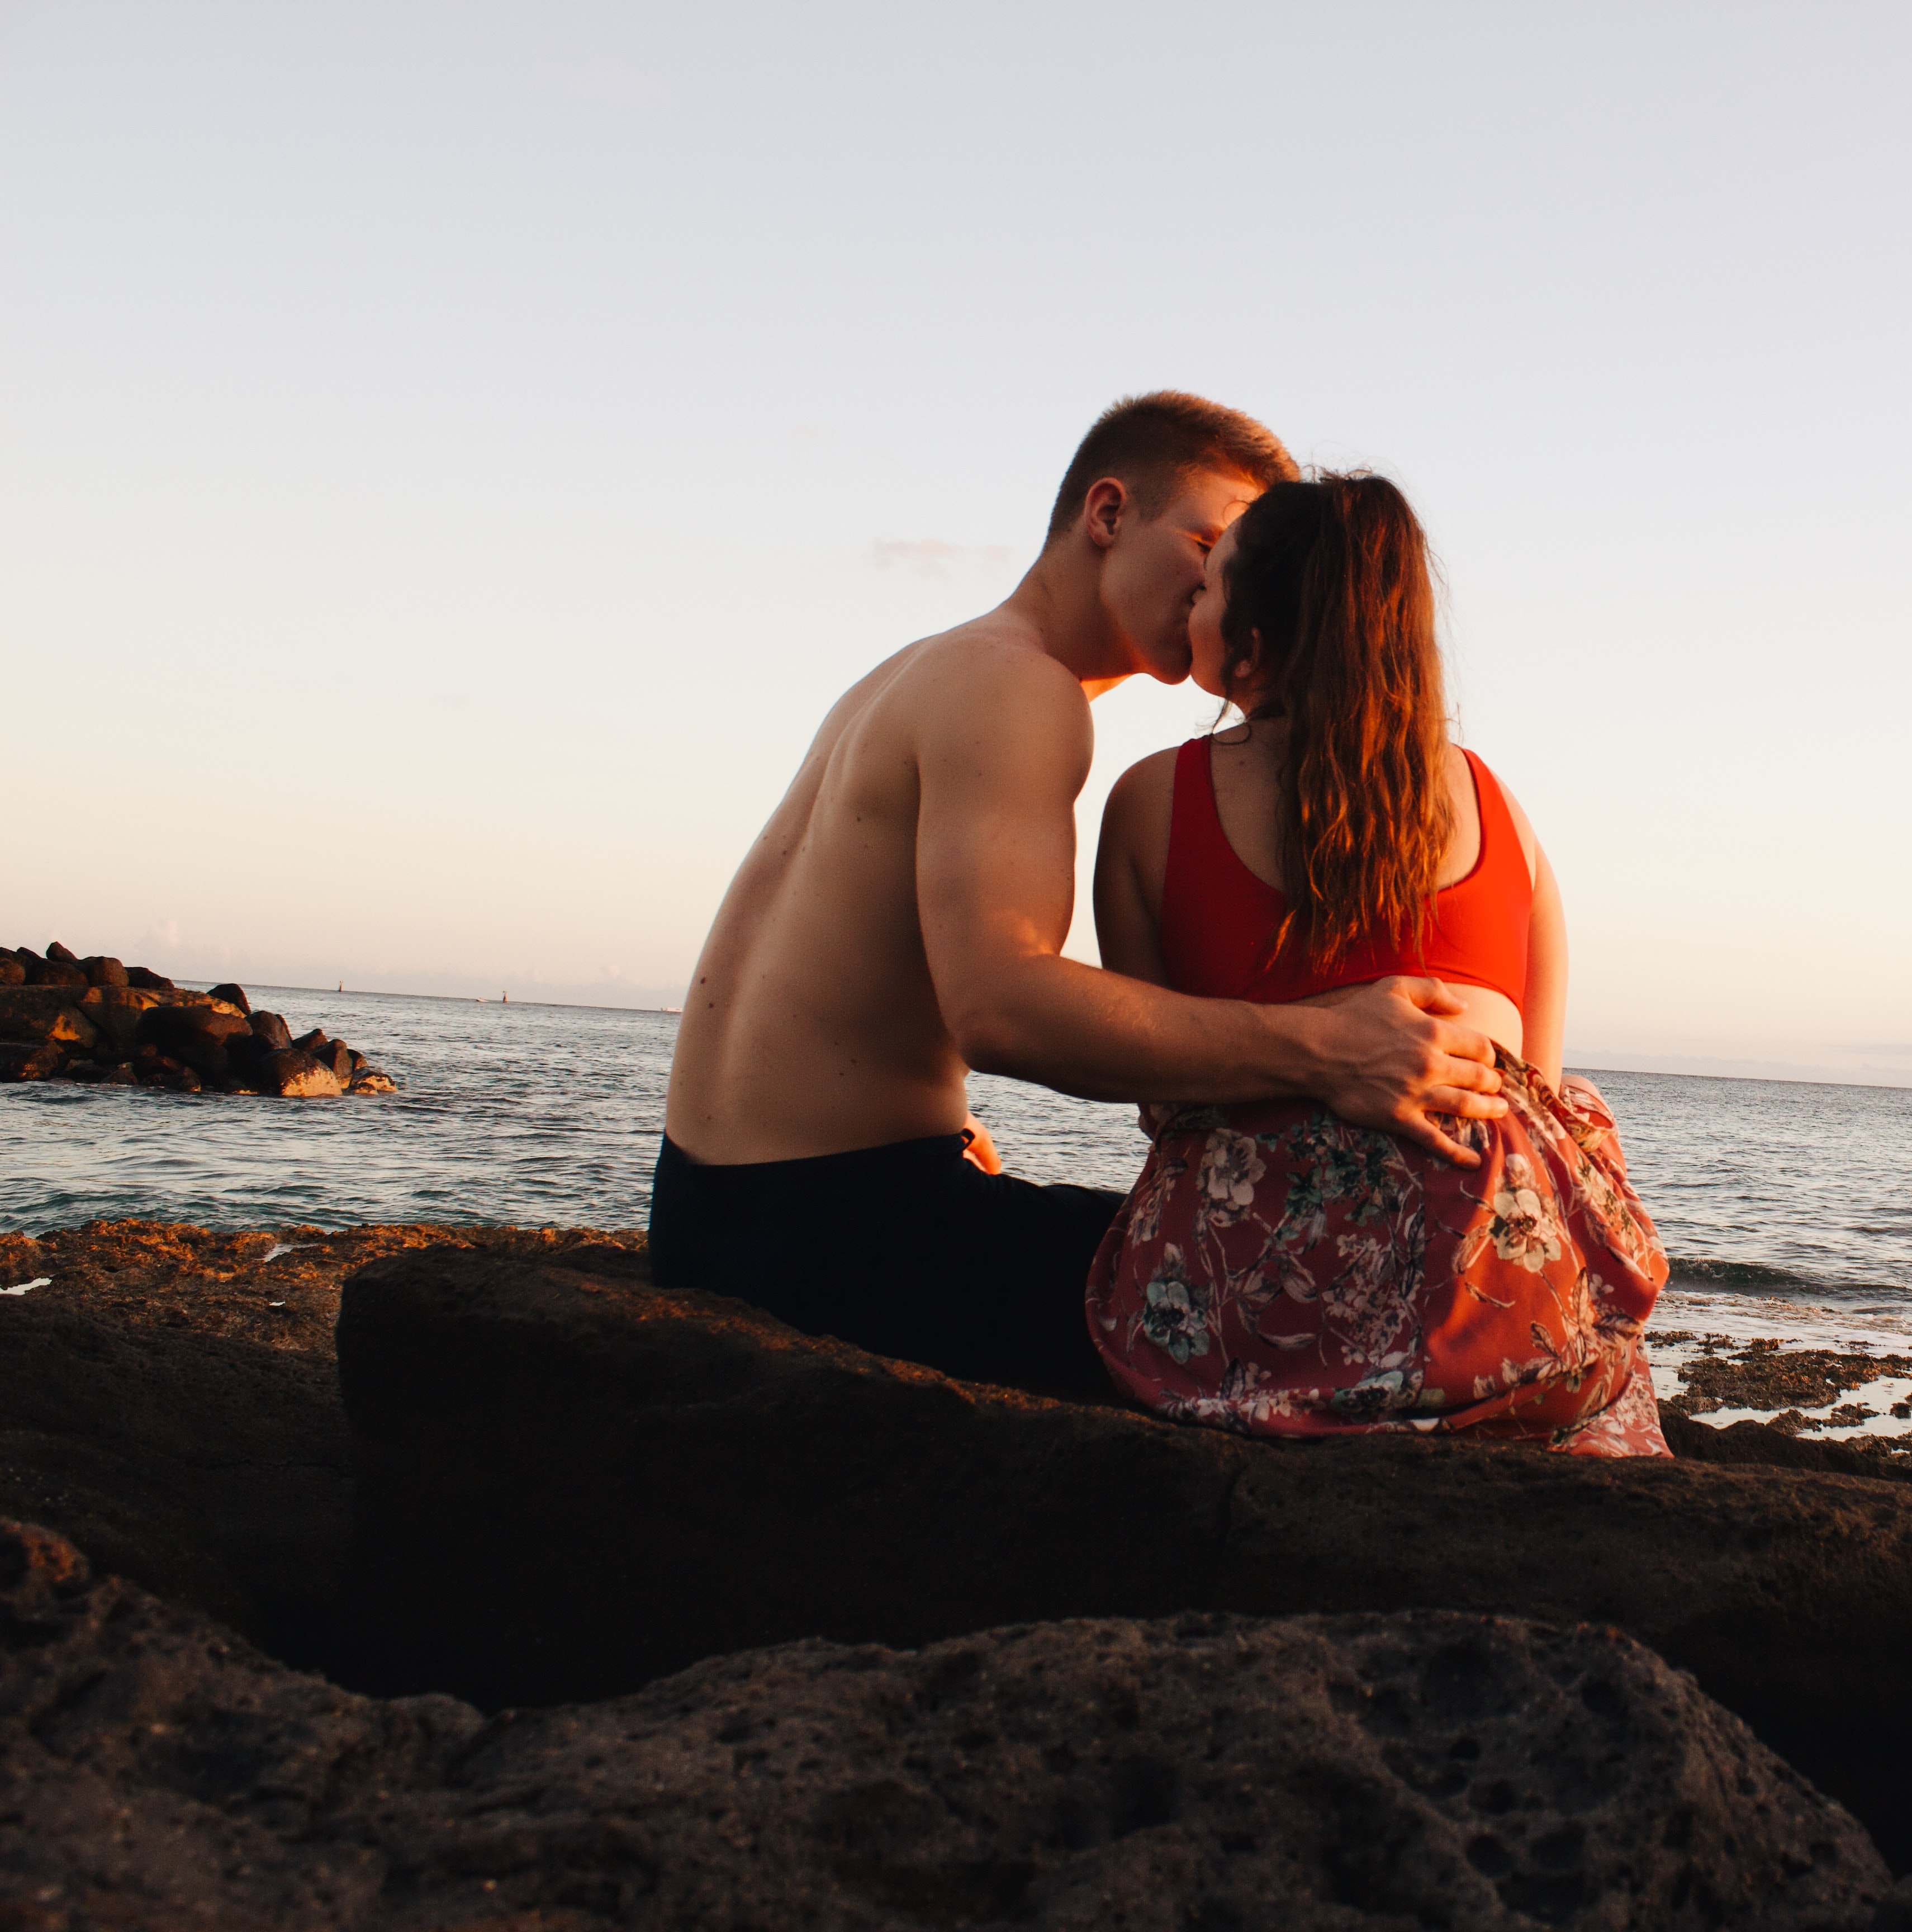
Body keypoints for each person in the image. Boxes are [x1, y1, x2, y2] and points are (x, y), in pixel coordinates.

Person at [651, 395, 1512, 1401]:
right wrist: (1330, 1048)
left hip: (722, 1205)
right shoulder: (1024, 690)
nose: (1223, 577)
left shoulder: (931, 668)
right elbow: (1002, 1008)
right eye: (1207, 538)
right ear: (1108, 514)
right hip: (829, 1242)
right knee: (1294, 1303)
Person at [1085, 473, 1670, 1455]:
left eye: (1211, 590)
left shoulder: (1151, 803)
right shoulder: (1502, 812)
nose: (1193, 602)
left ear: (1255, 650)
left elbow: (1160, 1095)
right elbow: (1539, 1097)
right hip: (1498, 1324)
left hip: (1245, 1327)